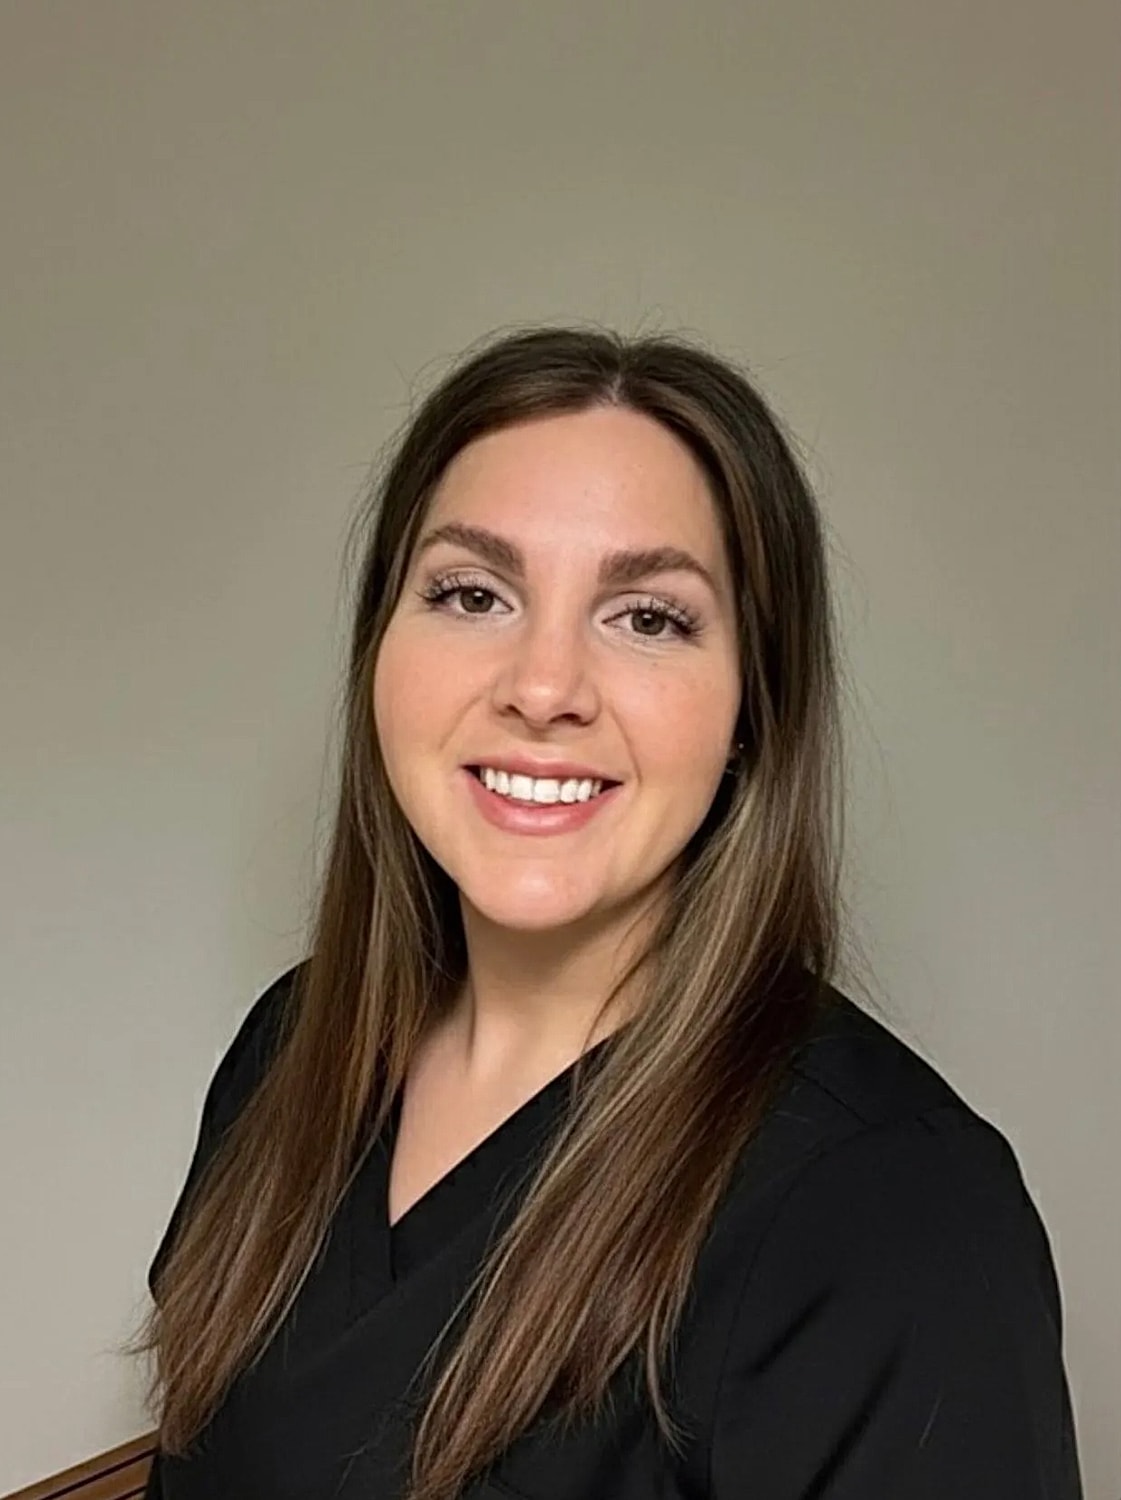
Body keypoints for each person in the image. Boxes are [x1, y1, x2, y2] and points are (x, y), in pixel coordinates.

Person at [130, 326, 1083, 1499]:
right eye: (472, 593)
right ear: (379, 651)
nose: (541, 689)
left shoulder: (897, 1217)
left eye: (648, 617)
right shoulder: (287, 1054)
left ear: (753, 708)